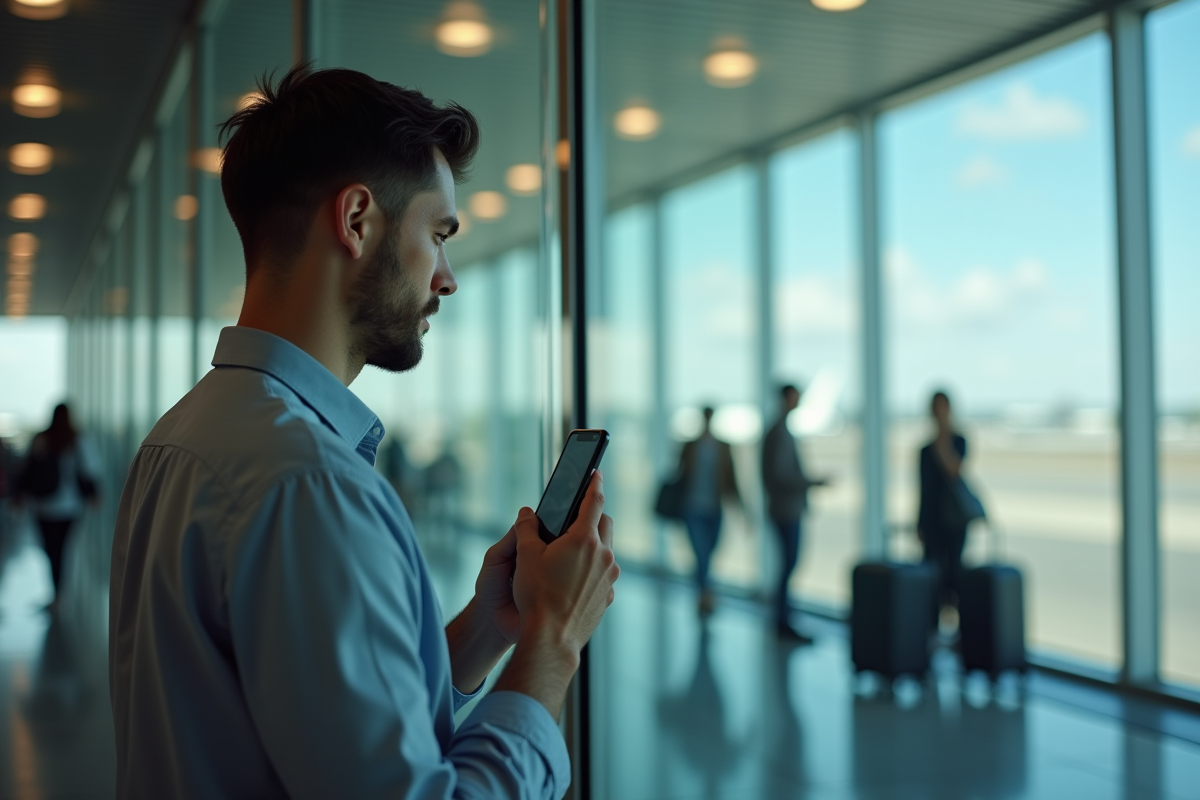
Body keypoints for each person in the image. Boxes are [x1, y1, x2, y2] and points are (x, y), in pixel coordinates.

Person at [109, 66, 619, 800]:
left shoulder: (184, 435)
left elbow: (328, 715)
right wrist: (555, 641)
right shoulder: (310, 485)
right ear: (355, 221)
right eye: (438, 234)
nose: (447, 277)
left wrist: (489, 625)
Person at [15, 403, 98, 610]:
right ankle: (59, 593)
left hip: (44, 505)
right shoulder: (77, 439)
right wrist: (94, 495)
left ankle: (57, 593)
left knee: (51, 549)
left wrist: (20, 495)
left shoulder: (43, 439)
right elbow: (89, 469)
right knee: (61, 549)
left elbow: (29, 470)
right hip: (70, 506)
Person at [761, 384, 827, 643]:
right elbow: (780, 476)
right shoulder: (778, 432)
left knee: (788, 565)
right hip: (785, 510)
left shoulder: (780, 430)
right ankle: (782, 620)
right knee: (788, 564)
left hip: (786, 508)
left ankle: (783, 618)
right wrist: (810, 482)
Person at [676, 406, 740, 615]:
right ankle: (706, 595)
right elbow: (679, 475)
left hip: (714, 508)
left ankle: (704, 592)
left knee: (708, 553)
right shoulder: (690, 446)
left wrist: (742, 510)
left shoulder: (723, 447)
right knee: (701, 554)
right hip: (692, 508)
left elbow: (731, 479)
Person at [917, 390, 969, 615]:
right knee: (932, 577)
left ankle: (961, 632)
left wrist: (943, 441)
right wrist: (919, 521)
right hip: (932, 520)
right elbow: (923, 490)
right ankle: (931, 628)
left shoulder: (958, 441)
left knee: (955, 574)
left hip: (955, 520)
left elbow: (954, 471)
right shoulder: (925, 450)